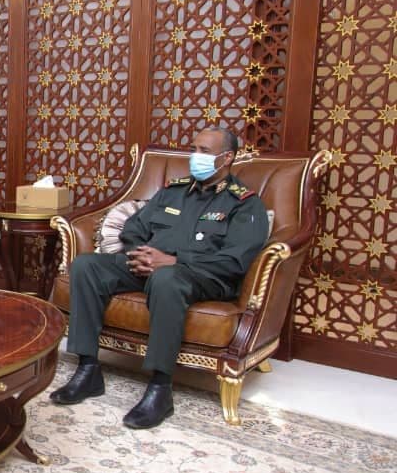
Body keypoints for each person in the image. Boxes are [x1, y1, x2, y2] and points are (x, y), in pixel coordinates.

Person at [50, 126, 269, 429]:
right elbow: (133, 228)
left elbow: (235, 260)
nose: (195, 156)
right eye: (194, 149)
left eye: (204, 151)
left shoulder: (243, 203)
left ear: (227, 158)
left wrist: (174, 261)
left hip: (202, 276)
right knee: (86, 266)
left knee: (166, 278)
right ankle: (88, 370)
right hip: (151, 267)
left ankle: (160, 388)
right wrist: (141, 254)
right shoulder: (173, 191)